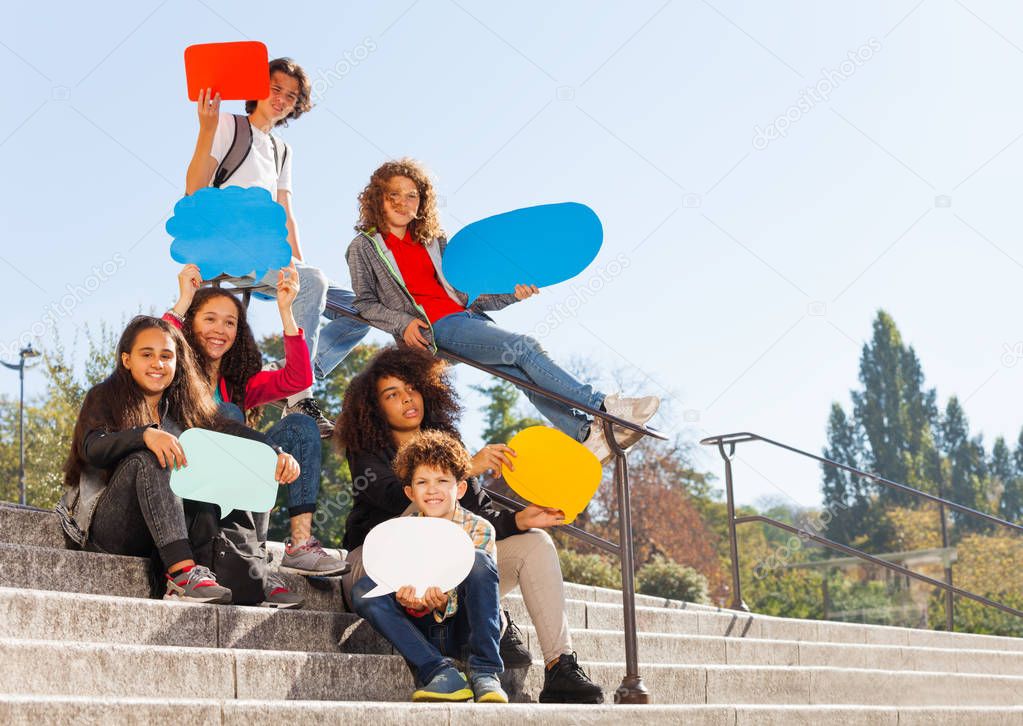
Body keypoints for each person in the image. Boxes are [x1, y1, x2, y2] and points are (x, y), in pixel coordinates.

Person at [337, 346, 605, 704]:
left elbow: (481, 516)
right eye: (392, 394)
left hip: (449, 572)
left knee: (536, 542)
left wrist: (523, 518)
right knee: (373, 575)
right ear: (375, 407)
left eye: (411, 388)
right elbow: (393, 499)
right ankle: (462, 648)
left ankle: (560, 666)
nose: (407, 399)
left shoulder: (450, 446)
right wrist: (463, 469)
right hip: (378, 564)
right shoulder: (367, 451)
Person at [345, 158, 658, 463]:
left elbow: (473, 297)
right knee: (524, 348)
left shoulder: (434, 241)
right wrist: (402, 322)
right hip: (433, 329)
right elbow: (365, 302)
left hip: (466, 319)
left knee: (520, 371)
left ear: (421, 200)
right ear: (378, 199)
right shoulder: (364, 247)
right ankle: (604, 406)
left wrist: (513, 294)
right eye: (393, 195)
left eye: (412, 195)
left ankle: (586, 434)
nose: (403, 203)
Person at [57, 316, 300, 604]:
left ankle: (254, 567)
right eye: (146, 354)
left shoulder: (185, 406)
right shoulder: (104, 396)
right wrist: (143, 436)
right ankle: (182, 575)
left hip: (164, 530)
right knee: (150, 457)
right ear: (126, 360)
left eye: (166, 356)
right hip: (111, 528)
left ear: (177, 362)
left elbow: (232, 430)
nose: (157, 364)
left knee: (246, 459)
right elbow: (92, 447)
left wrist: (275, 452)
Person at [184, 56, 367, 435]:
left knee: (359, 311)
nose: (282, 98)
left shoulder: (282, 150)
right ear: (256, 89)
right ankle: (300, 399)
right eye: (275, 88)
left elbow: (285, 212)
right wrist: (205, 129)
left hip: (269, 256)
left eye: (291, 95)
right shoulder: (228, 125)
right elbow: (194, 191)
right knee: (312, 280)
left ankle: (292, 380)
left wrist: (299, 270)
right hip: (228, 250)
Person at [164, 263, 348, 606]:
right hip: (186, 482)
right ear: (192, 323)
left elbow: (296, 380)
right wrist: (184, 300)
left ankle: (299, 545)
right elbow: (158, 344)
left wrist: (286, 312)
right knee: (231, 416)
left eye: (229, 322)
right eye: (209, 319)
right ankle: (256, 562)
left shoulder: (240, 382)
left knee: (300, 423)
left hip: (235, 485)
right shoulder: (175, 369)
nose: (220, 329)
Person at [351, 430, 507, 703]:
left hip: (465, 629)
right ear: (411, 491)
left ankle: (486, 672)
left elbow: (477, 584)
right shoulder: (402, 533)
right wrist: (412, 603)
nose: (432, 489)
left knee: (479, 562)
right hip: (424, 630)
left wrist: (445, 600)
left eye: (442, 480)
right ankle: (440, 671)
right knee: (364, 590)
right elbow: (399, 580)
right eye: (422, 482)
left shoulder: (479, 528)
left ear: (459, 488)